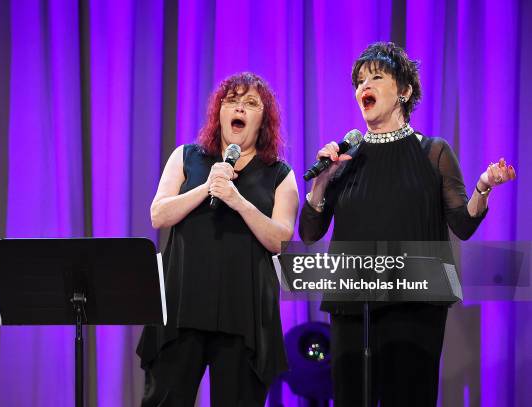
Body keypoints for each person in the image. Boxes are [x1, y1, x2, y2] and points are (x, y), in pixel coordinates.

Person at [299, 42, 516, 406]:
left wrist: (483, 187)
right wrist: (322, 180)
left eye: (376, 77)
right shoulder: (345, 159)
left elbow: (462, 224)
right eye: (359, 81)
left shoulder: (434, 152)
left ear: (404, 91)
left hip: (415, 305)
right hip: (352, 306)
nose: (363, 86)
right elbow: (309, 232)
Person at [137, 72, 299, 406]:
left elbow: (281, 239)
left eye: (251, 103)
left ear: (263, 120)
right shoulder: (187, 157)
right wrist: (206, 188)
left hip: (244, 314)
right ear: (220, 112)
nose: (240, 107)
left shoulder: (280, 174)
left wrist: (237, 201)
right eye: (232, 100)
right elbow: (159, 214)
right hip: (182, 306)